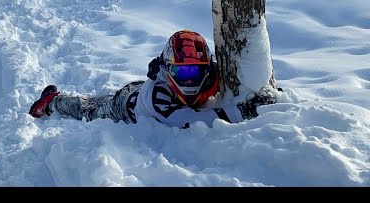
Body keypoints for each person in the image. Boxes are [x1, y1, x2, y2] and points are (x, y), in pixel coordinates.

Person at [29, 30, 273, 128]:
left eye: (196, 72)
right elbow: (193, 121)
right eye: (182, 73)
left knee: (94, 100)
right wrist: (245, 111)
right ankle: (53, 101)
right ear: (168, 70)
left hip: (137, 91)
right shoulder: (160, 95)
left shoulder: (212, 73)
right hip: (126, 107)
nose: (190, 80)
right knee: (88, 110)